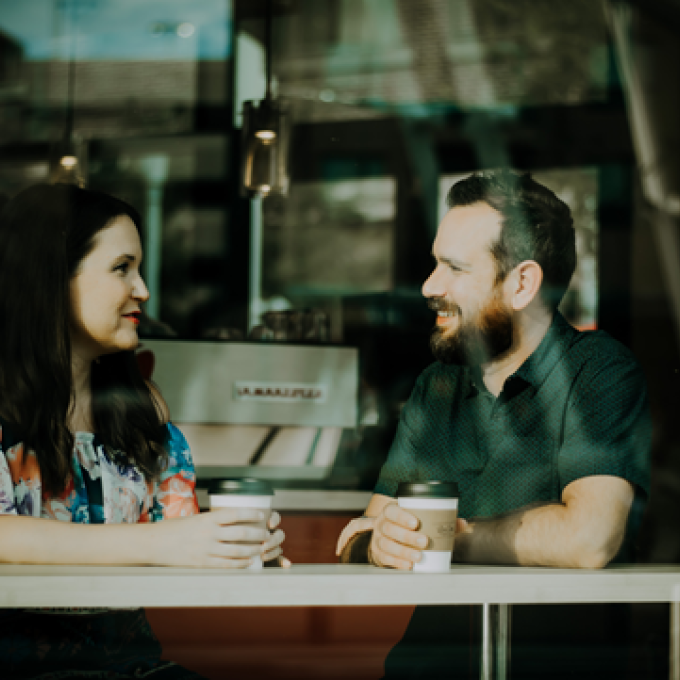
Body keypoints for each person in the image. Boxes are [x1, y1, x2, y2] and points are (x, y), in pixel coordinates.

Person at [336, 169, 652, 678]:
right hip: (427, 668)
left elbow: (589, 538)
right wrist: (375, 543)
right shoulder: (437, 385)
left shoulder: (598, 371)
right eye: (434, 263)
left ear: (522, 283)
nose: (428, 286)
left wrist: (446, 538)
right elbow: (366, 532)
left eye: (454, 268)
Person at [0, 183, 288, 679]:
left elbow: (180, 537)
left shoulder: (142, 413)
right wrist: (163, 544)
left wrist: (234, 544)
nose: (143, 290)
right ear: (51, 279)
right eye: (121, 268)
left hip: (131, 668)